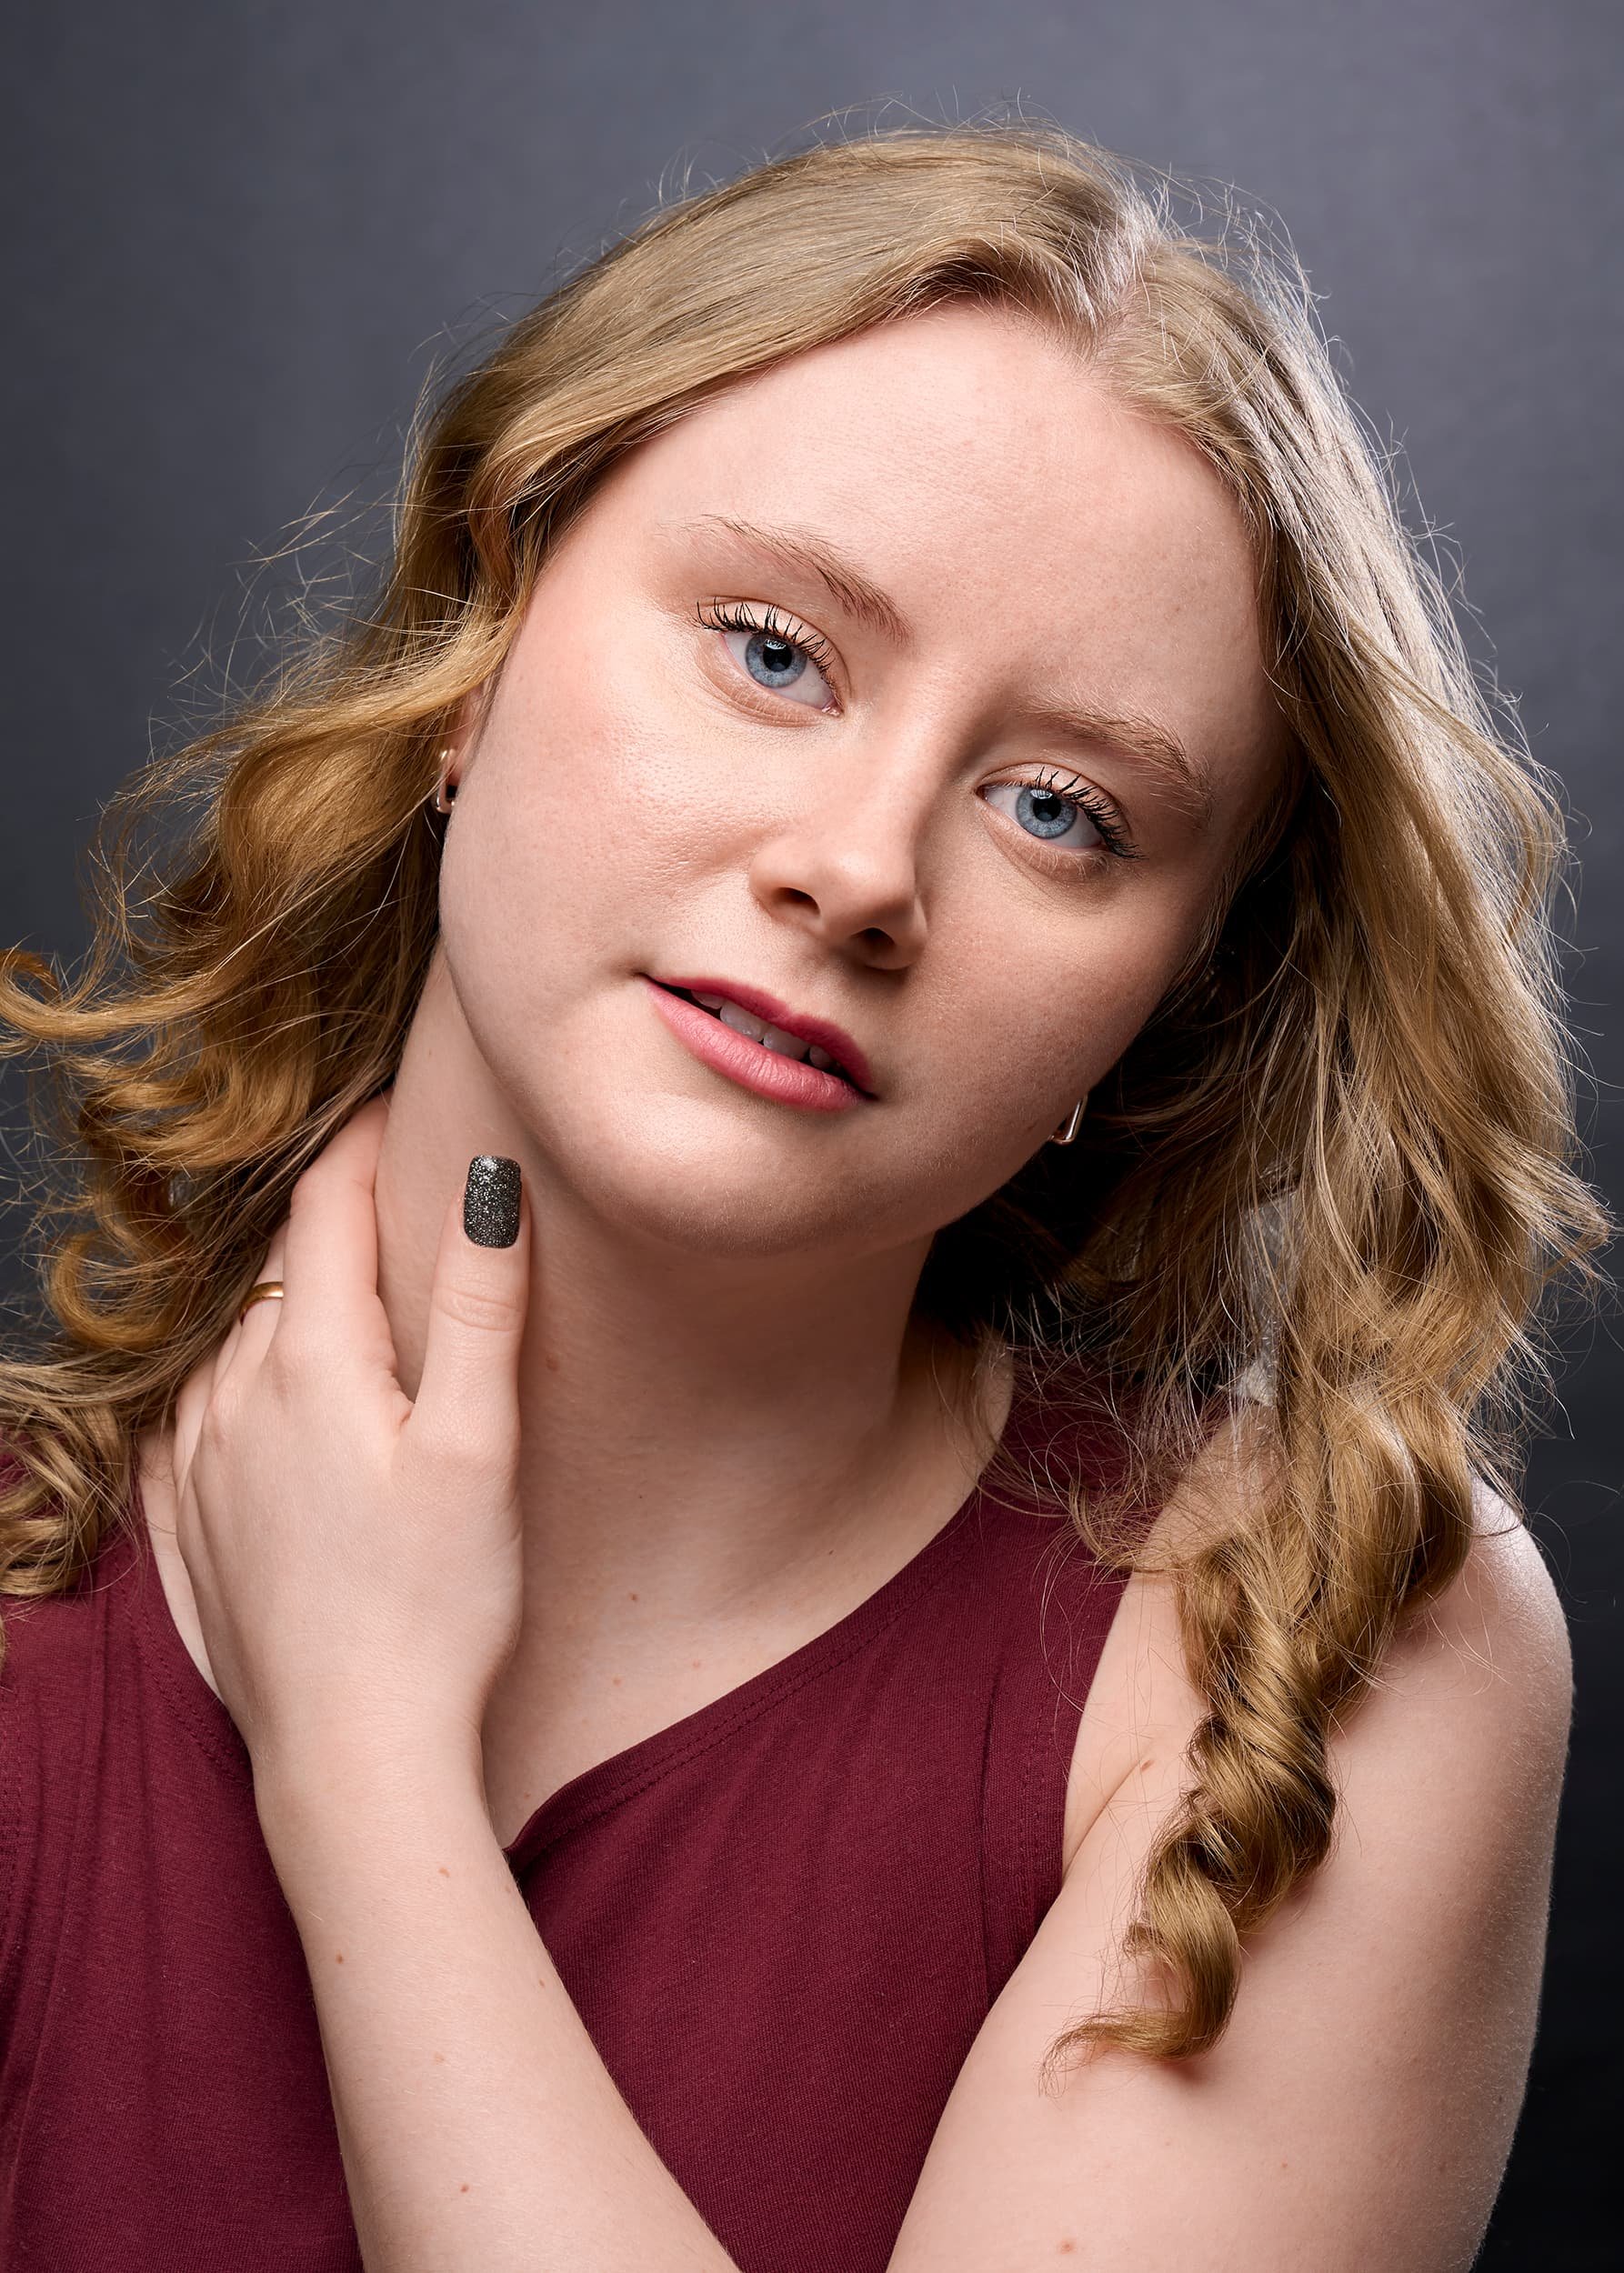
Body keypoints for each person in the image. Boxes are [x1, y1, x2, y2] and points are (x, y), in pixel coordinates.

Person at [0, 119, 1609, 2273]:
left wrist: (368, 1773)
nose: (857, 870)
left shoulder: (1311, 1655)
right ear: (480, 639)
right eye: (772, 650)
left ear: (1171, 992)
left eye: (1058, 809)